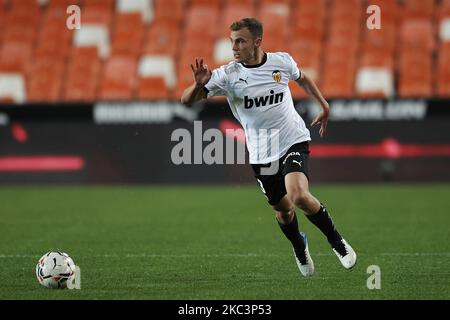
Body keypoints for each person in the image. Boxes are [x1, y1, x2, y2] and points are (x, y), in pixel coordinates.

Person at [181, 18, 356, 277]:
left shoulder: (281, 62)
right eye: (232, 41)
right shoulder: (228, 75)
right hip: (262, 153)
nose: (234, 47)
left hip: (292, 139)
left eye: (240, 41)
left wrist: (324, 104)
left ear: (257, 42)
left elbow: (303, 78)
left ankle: (336, 241)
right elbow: (186, 100)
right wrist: (198, 85)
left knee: (298, 195)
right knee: (283, 211)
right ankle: (299, 245)